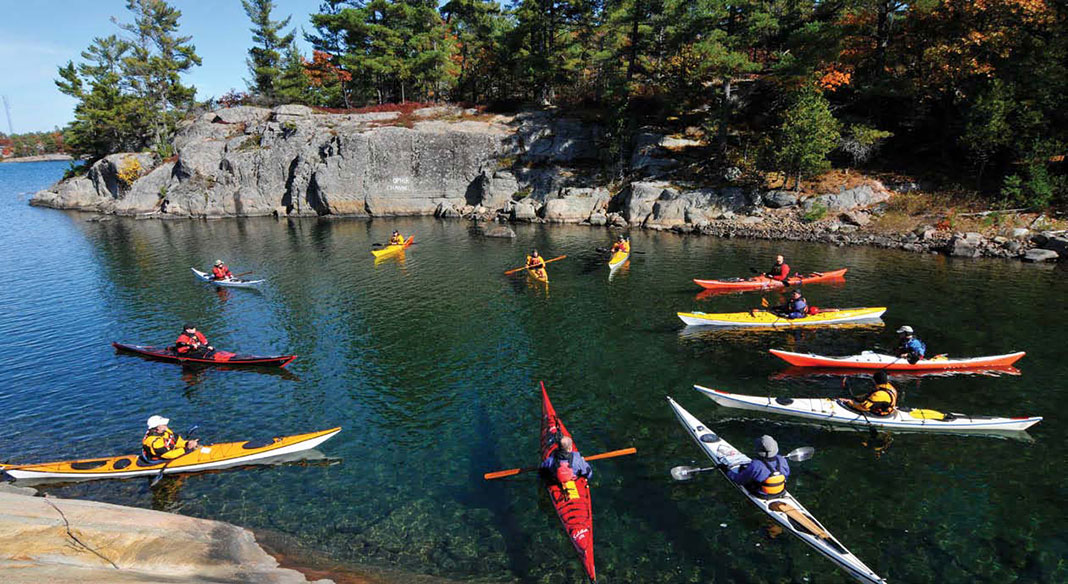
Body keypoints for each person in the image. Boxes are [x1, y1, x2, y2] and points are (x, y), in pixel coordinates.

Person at [724, 435, 790, 498]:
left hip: (761, 494)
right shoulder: (782, 459)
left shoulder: (755, 465)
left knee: (742, 469)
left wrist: (726, 471)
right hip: (780, 492)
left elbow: (738, 480)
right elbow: (786, 476)